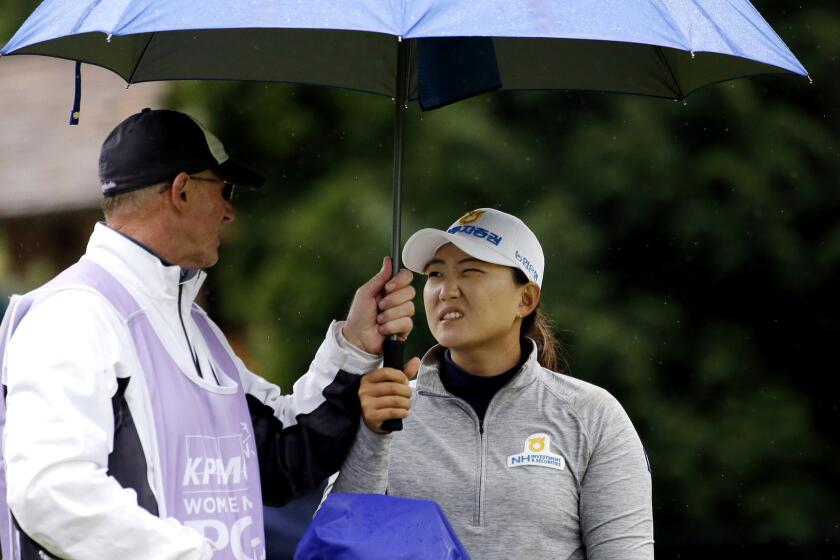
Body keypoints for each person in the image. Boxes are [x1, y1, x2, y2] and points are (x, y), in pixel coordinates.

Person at [0, 108, 415, 560]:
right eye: (224, 189)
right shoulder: (74, 315)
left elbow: (280, 461)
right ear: (181, 191)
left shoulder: (198, 330)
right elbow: (49, 491)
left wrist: (354, 347)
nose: (229, 212)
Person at [330, 208, 654, 559]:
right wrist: (372, 436)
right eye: (436, 274)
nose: (446, 290)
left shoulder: (594, 415)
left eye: (470, 271)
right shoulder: (382, 408)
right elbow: (335, 546)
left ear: (526, 299)